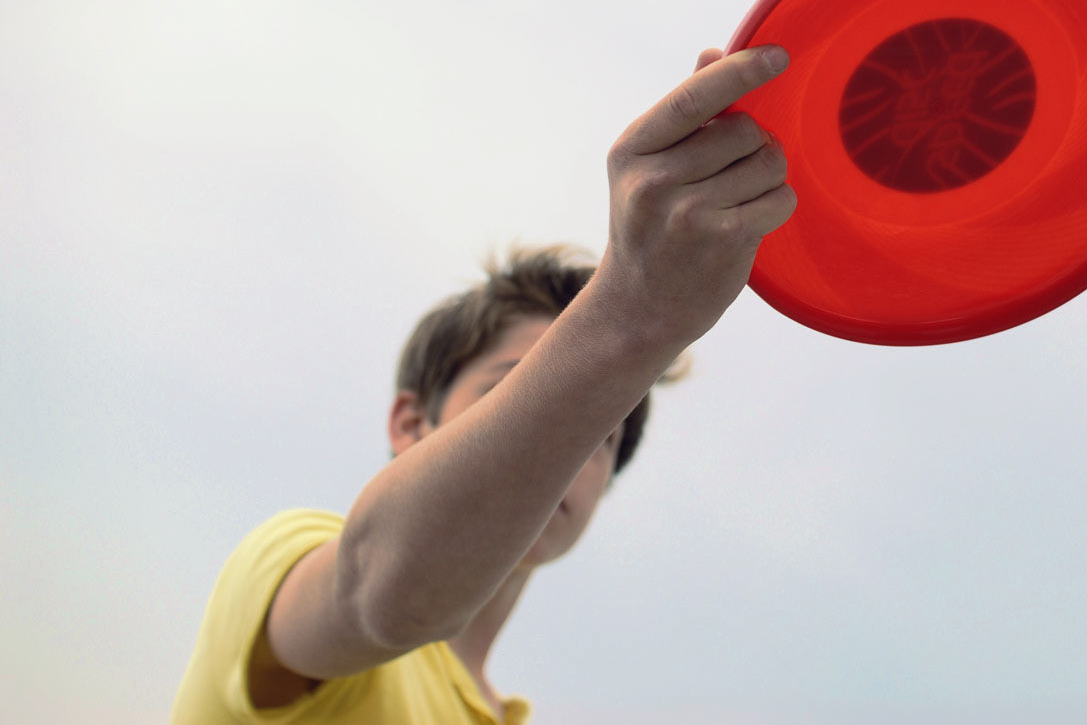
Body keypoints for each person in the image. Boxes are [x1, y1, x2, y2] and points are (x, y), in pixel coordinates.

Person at [170, 43, 795, 723]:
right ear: (410, 422)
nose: (568, 441)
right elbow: (381, 594)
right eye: (511, 388)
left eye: (602, 433)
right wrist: (630, 316)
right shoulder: (284, 566)